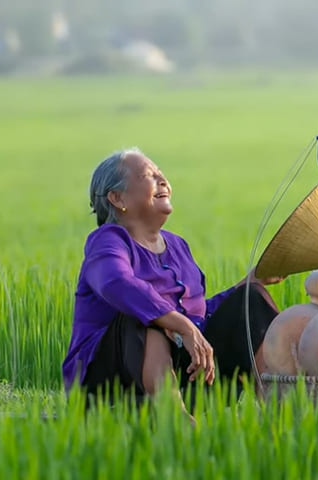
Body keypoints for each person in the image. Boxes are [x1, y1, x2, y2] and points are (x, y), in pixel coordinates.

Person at [62, 147, 284, 413]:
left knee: (251, 300)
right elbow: (115, 283)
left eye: (162, 175)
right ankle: (176, 420)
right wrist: (181, 325)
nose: (163, 181)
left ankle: (277, 410)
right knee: (146, 318)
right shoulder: (108, 241)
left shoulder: (178, 247)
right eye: (149, 175)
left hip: (187, 374)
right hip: (114, 385)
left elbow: (199, 316)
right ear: (117, 197)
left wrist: (248, 282)